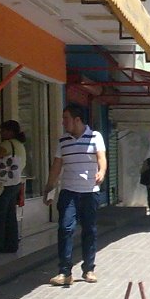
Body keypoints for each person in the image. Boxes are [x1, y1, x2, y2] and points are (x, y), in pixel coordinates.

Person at [43, 104, 107, 287]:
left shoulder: (95, 137)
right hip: (68, 192)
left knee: (89, 230)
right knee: (65, 228)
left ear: (77, 120)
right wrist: (49, 188)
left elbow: (102, 158)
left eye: (66, 118)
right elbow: (56, 167)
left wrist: (101, 172)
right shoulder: (63, 141)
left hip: (89, 192)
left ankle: (89, 269)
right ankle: (64, 272)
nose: (63, 122)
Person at [0, 120, 27, 255]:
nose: (1, 133)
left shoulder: (7, 144)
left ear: (10, 131)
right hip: (16, 182)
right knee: (10, 215)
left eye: (3, 130)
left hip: (3, 183)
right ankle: (12, 244)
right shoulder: (20, 145)